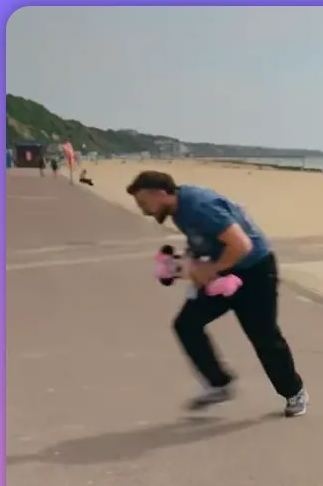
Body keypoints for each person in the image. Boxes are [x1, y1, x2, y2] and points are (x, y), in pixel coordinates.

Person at [126, 171, 308, 416]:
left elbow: (242, 244)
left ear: (160, 194)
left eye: (144, 203)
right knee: (186, 324)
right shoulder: (179, 208)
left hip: (255, 272)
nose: (143, 210)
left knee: (264, 337)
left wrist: (211, 269)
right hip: (225, 273)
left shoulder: (198, 206)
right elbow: (204, 238)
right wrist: (187, 261)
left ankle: (294, 392)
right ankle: (219, 383)